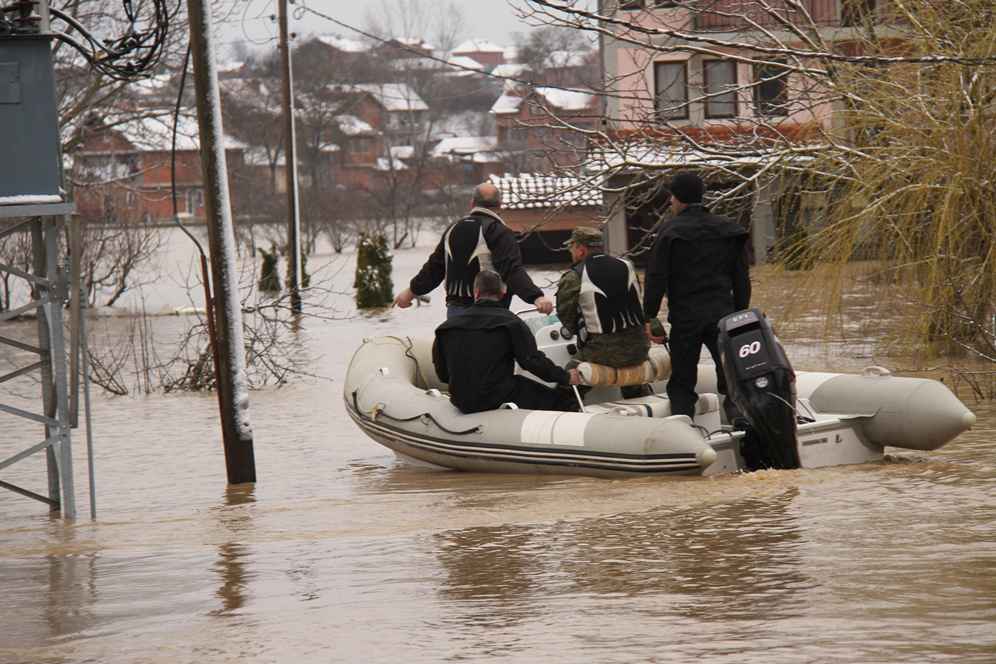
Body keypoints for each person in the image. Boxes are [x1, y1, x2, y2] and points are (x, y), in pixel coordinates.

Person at [643, 172, 751, 418]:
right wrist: (739, 314)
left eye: (671, 197)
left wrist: (649, 316)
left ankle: (685, 427)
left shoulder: (670, 232)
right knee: (731, 374)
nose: (670, 202)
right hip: (723, 315)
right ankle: (741, 422)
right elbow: (741, 279)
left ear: (678, 198)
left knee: (682, 380)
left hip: (686, 318)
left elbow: (656, 278)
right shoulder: (729, 230)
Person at [394, 182, 553, 318]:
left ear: (472, 204)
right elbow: (511, 270)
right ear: (499, 206)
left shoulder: (453, 229)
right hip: (490, 314)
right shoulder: (499, 231)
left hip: (455, 314)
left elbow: (434, 268)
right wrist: (536, 297)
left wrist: (410, 292)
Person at [433, 271, 580, 414]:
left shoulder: (446, 328)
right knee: (563, 401)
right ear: (503, 293)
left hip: (461, 400)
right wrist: (565, 377)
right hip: (497, 396)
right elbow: (532, 361)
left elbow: (443, 375)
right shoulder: (511, 323)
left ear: (476, 293)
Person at [555, 226, 650, 388]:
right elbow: (638, 303)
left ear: (581, 250)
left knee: (568, 377)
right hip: (640, 349)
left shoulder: (574, 276)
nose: (571, 252)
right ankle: (637, 396)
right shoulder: (627, 266)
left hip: (602, 353)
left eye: (572, 247)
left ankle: (567, 407)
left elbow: (566, 317)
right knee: (629, 374)